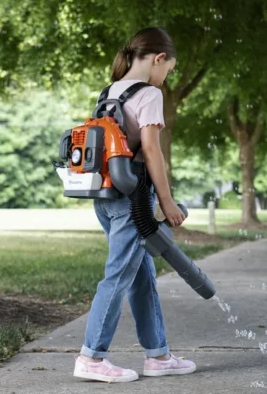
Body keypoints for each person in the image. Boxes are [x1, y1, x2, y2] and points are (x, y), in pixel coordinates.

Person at [73, 27, 194, 383]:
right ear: (158, 59)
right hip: (133, 200)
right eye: (168, 70)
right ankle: (91, 357)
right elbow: (152, 150)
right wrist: (168, 203)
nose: (166, 78)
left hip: (105, 197)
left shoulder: (108, 92)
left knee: (141, 275)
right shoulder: (150, 94)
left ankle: (157, 355)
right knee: (119, 276)